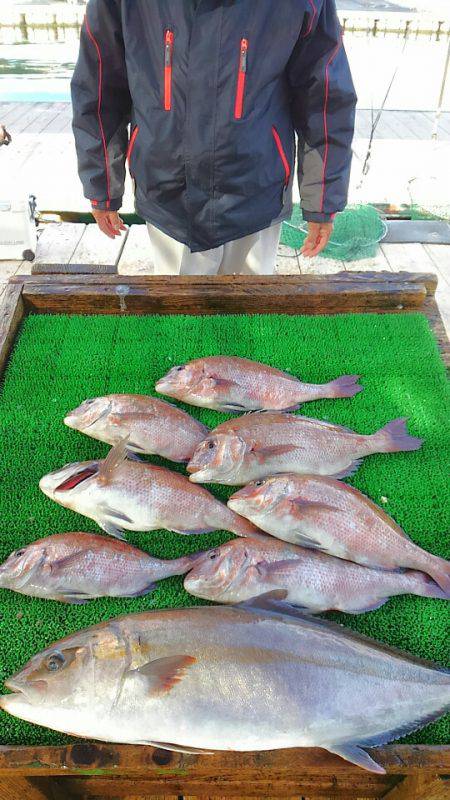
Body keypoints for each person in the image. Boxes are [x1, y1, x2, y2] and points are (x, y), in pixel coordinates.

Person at [71, 0, 356, 275]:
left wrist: (322, 201)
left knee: (252, 313)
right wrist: (102, 187)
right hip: (169, 196)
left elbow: (325, 96)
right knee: (180, 316)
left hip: (257, 193)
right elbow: (98, 86)